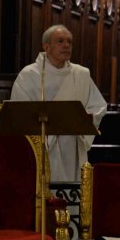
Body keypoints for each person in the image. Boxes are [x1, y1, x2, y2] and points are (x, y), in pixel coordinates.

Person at [10, 25, 107, 183]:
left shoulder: (81, 74)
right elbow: (19, 112)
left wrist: (82, 121)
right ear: (46, 46)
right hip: (42, 148)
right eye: (60, 41)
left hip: (72, 146)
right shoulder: (29, 75)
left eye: (70, 42)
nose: (66, 45)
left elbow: (98, 107)